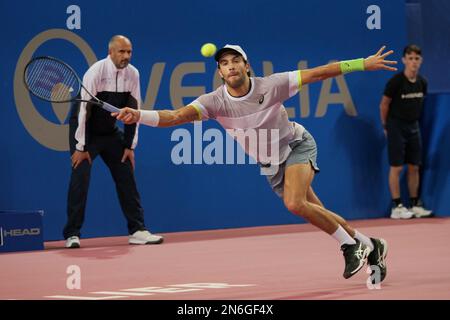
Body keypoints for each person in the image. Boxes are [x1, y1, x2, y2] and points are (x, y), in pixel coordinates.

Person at [113, 44, 395, 282]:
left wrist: (362, 63)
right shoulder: (214, 102)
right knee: (315, 210)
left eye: (236, 61)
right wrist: (138, 115)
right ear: (220, 72)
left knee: (295, 204)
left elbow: (319, 73)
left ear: (247, 66)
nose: (231, 66)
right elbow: (174, 116)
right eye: (224, 63)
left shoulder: (272, 85)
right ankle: (371, 245)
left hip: (295, 144)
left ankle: (349, 246)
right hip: (271, 164)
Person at [63, 35, 163, 248]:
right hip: (86, 133)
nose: (126, 56)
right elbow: (82, 111)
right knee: (80, 180)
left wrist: (129, 146)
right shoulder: (96, 72)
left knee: (126, 176)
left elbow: (134, 110)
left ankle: (137, 230)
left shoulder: (133, 74)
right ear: (110, 52)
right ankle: (72, 233)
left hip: (110, 133)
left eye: (129, 52)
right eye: (121, 52)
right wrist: (80, 147)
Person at [379, 44, 433, 219]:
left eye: (417, 59)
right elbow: (384, 104)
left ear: (421, 61)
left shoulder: (422, 83)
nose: (413, 62)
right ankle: (397, 206)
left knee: (414, 167)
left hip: (414, 127)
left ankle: (415, 203)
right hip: (396, 126)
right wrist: (386, 126)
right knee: (396, 167)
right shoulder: (395, 82)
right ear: (404, 60)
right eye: (410, 58)